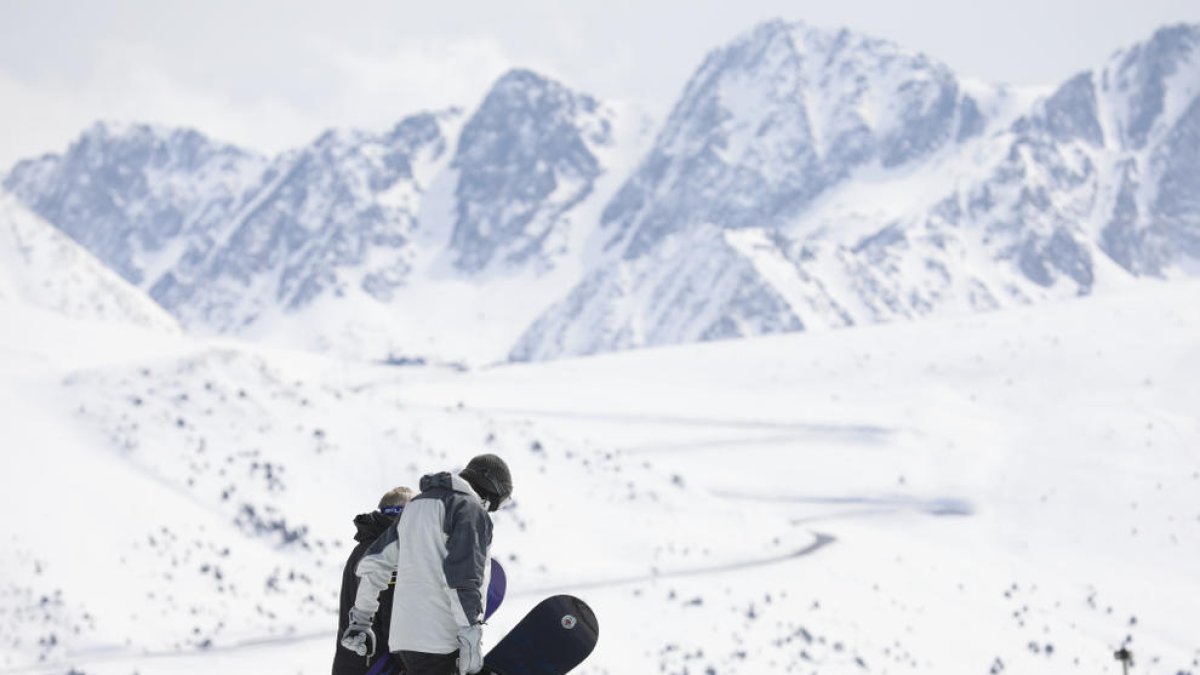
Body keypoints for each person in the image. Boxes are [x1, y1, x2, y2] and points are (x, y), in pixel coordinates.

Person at [341, 454, 513, 675]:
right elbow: (463, 578)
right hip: (439, 639)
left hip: (403, 641)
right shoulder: (469, 510)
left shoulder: (415, 506)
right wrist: (471, 634)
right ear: (493, 490)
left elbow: (375, 563)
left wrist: (361, 620)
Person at [332, 486, 414, 675]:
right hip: (379, 666)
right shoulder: (387, 557)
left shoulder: (363, 550)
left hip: (353, 665)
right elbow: (392, 617)